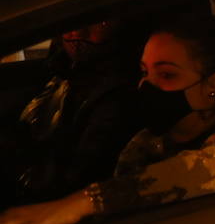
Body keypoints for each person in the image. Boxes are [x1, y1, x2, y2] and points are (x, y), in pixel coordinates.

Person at [0, 4, 215, 224]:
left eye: (167, 74)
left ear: (214, 83)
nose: (147, 86)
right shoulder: (147, 140)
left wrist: (80, 204)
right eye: (144, 72)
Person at [2, 18, 142, 206]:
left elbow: (72, 179)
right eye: (71, 21)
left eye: (99, 22)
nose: (76, 32)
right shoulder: (64, 70)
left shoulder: (117, 96)